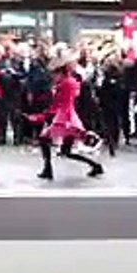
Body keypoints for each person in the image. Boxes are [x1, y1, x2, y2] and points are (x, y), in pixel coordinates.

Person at [29, 51, 104, 181]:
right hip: (67, 116)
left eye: (54, 74)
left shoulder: (65, 84)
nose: (53, 77)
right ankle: (95, 165)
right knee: (65, 151)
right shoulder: (69, 82)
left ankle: (48, 169)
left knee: (44, 139)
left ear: (60, 72)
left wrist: (42, 116)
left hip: (64, 117)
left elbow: (58, 104)